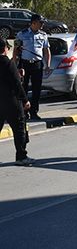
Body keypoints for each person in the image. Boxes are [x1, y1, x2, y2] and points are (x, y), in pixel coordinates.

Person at [0, 38, 35, 166]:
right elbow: (16, 84)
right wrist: (25, 100)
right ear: (5, 48)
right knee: (19, 128)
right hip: (11, 101)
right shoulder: (8, 64)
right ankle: (21, 156)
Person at [14, 13, 51, 121]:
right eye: (41, 23)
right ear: (33, 23)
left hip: (37, 64)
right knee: (23, 89)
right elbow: (16, 50)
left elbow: (46, 51)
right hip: (25, 64)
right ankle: (24, 112)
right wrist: (15, 65)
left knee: (37, 90)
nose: (42, 25)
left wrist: (47, 64)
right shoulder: (22, 34)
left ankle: (34, 111)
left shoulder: (43, 35)